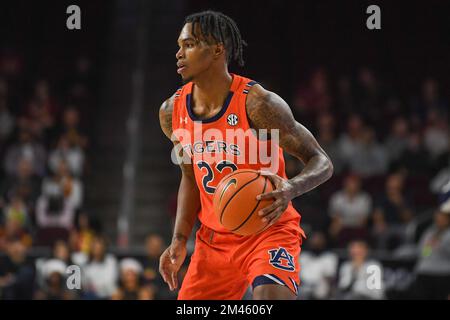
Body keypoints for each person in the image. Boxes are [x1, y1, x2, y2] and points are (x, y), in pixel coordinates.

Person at [158, 11, 333, 300]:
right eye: (179, 45)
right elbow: (190, 177)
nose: (179, 53)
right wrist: (178, 240)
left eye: (189, 45)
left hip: (267, 231)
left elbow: (322, 162)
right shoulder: (171, 112)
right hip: (213, 242)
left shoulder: (258, 103)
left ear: (217, 50)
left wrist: (292, 188)